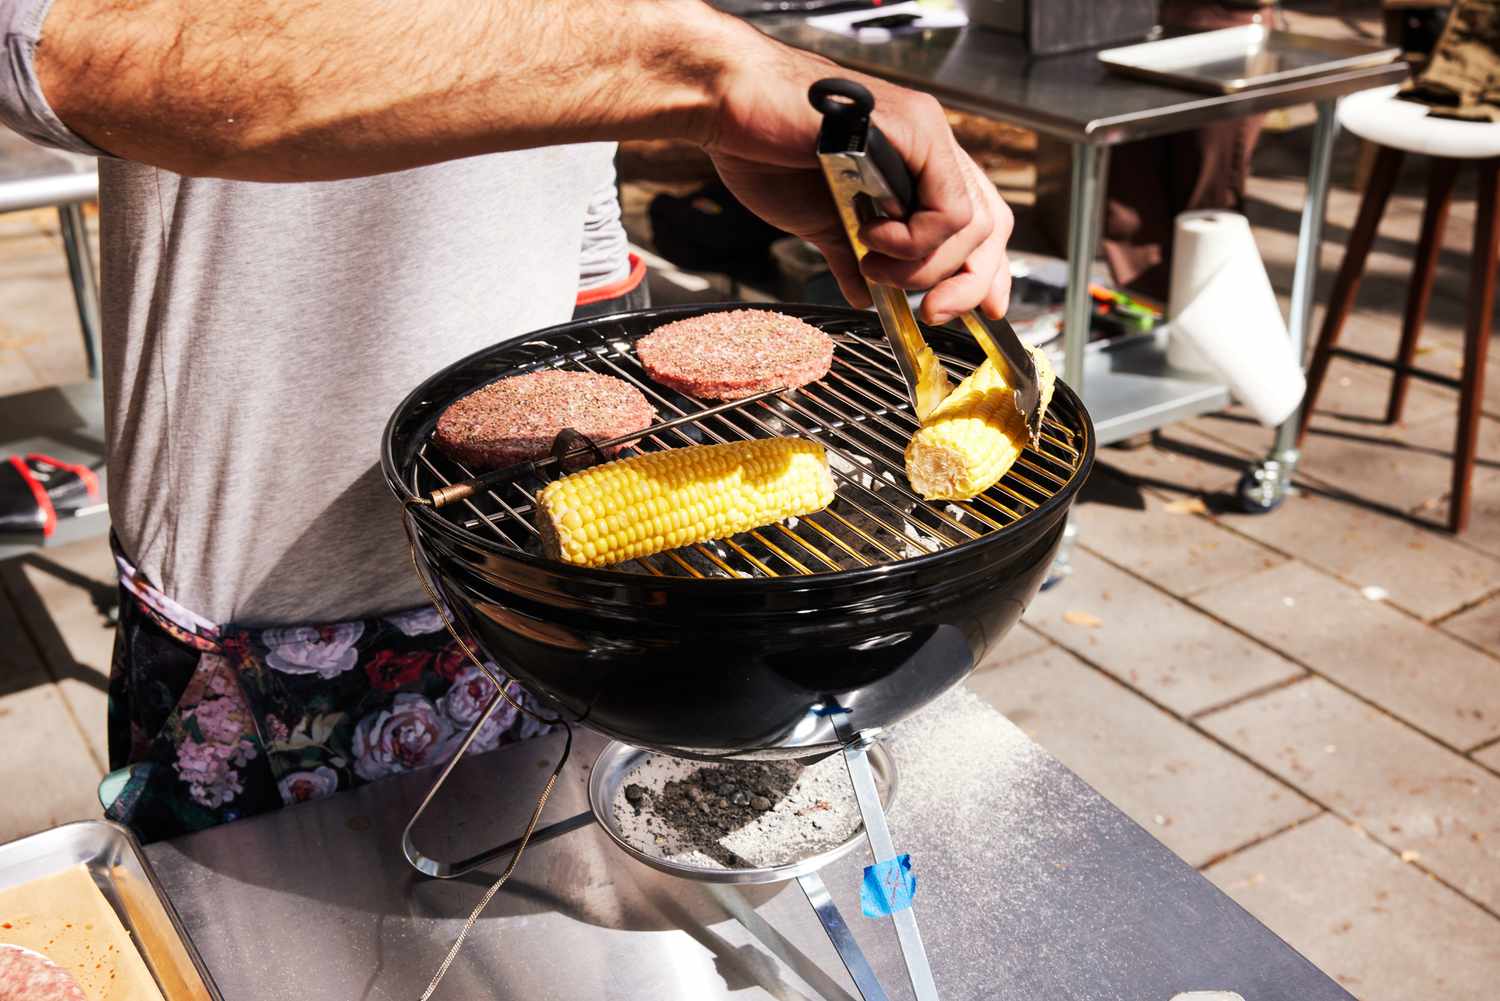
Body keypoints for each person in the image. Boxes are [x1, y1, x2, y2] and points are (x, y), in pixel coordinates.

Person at [0, 0, 1015, 839]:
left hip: (548, 586)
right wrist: (704, 75)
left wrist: (617, 362)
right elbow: (63, 45)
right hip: (271, 625)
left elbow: (563, 135)